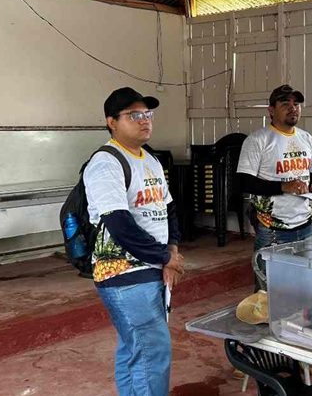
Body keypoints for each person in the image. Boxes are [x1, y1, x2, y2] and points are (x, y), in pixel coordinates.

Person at [84, 87, 185, 396]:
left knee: (135, 349)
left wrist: (171, 251)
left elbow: (167, 209)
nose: (144, 121)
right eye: (134, 115)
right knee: (152, 352)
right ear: (111, 122)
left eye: (147, 114)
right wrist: (164, 257)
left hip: (150, 265)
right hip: (123, 272)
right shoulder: (106, 163)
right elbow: (119, 224)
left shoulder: (150, 160)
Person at [237, 84, 312, 290]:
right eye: (285, 104)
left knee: (304, 286)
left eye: (296, 104)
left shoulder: (306, 138)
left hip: (305, 225)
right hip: (272, 229)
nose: (293, 108)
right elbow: (244, 181)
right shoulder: (258, 140)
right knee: (269, 291)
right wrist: (284, 187)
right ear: (271, 110)